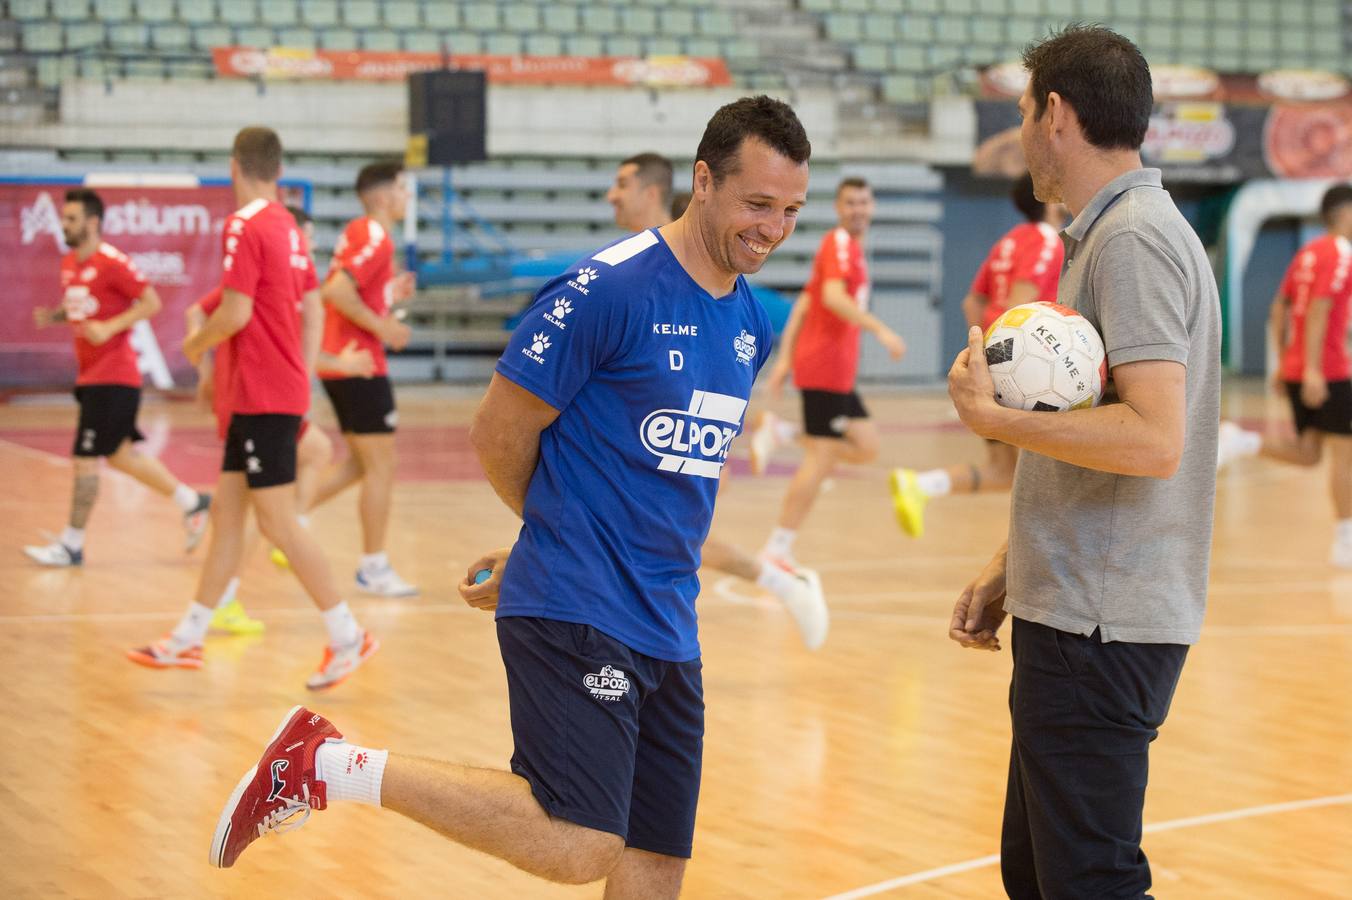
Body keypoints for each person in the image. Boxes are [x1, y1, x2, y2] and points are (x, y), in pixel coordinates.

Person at [209, 97, 810, 897]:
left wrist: (557, 535)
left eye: (790, 211)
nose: (773, 229)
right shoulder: (608, 288)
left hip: (671, 622)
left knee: (657, 860)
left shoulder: (749, 323)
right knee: (581, 841)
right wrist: (557, 539)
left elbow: (676, 484)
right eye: (758, 204)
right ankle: (324, 765)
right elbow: (498, 431)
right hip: (583, 605)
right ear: (704, 181)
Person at [946, 26, 1220, 897]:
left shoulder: (1132, 239)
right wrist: (1012, 564)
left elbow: (1153, 438)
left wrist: (995, 420)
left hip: (1101, 626)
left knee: (1087, 882)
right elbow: (1099, 434)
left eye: (1025, 112)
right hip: (1077, 608)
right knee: (1038, 876)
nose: (1023, 132)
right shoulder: (1113, 234)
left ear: (1056, 114)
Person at [127, 126, 377, 690]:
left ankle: (348, 635)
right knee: (227, 516)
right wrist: (301, 375)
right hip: (266, 394)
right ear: (279, 170)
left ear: (234, 166)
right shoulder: (288, 225)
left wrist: (195, 347)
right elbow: (313, 309)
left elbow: (234, 313)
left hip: (262, 395)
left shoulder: (243, 224)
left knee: (277, 522)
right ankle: (189, 637)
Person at [608, 150, 827, 649]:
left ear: (651, 192)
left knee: (671, 534)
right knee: (667, 536)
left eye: (622, 184)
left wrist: (715, 448)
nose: (611, 195)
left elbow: (707, 370)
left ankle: (780, 580)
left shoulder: (692, 272)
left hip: (677, 445)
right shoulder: (624, 272)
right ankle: (780, 581)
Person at [24, 188, 211, 567]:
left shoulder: (112, 262)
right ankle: (192, 502)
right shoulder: (69, 263)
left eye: (72, 219)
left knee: (85, 459)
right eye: (64, 218)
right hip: (91, 376)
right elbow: (80, 306)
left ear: (93, 223)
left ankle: (72, 545)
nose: (64, 225)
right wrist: (56, 316)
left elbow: (151, 302)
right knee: (121, 456)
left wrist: (109, 328)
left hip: (113, 377)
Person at [889, 174, 1066, 537]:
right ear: (1049, 199)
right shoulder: (1047, 240)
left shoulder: (1009, 241)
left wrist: (982, 354)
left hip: (997, 365)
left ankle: (921, 485)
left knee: (1004, 471)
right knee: (1053, 475)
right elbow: (1019, 302)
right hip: (1027, 373)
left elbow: (972, 302)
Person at [747, 177, 907, 567]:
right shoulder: (839, 244)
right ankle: (777, 548)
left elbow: (805, 303)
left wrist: (785, 360)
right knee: (822, 458)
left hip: (834, 369)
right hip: (825, 366)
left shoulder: (850, 249)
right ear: (838, 207)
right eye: (850, 202)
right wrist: (880, 329)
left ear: (872, 207)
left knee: (866, 445)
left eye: (864, 202)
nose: (858, 209)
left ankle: (783, 432)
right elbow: (833, 299)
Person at [1217, 184, 1352, 567]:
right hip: (1326, 371)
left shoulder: (1308, 252)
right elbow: (1320, 308)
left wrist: (1283, 361)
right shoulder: (1340, 252)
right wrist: (1313, 369)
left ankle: (1243, 441)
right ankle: (1346, 542)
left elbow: (1279, 306)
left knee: (1309, 454)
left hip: (1300, 367)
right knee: (1345, 456)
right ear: (1345, 212)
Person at [307, 161, 418, 596]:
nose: (407, 197)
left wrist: (389, 294)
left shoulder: (359, 232)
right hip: (357, 363)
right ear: (383, 196)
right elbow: (336, 291)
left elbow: (350, 290)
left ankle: (287, 516)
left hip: (339, 360)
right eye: (403, 189)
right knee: (381, 467)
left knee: (360, 464)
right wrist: (383, 327)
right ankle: (373, 567)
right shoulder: (376, 236)